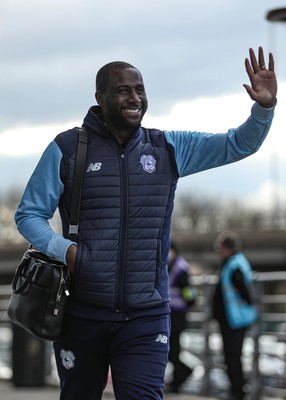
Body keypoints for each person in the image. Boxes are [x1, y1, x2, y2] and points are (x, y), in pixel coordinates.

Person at [14, 47, 276, 400]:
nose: (134, 97)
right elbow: (29, 214)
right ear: (100, 98)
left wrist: (263, 108)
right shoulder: (67, 149)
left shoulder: (168, 148)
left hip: (146, 315)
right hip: (81, 312)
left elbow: (238, 144)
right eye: (123, 90)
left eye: (140, 89)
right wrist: (69, 252)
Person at [212, 232, 257, 400]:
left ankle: (238, 391)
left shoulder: (234, 265)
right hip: (231, 318)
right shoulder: (232, 262)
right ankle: (236, 389)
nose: (218, 251)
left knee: (233, 357)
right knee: (231, 356)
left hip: (236, 319)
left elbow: (245, 292)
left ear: (227, 248)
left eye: (220, 247)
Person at [167, 241, 196, 393]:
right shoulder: (170, 266)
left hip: (177, 316)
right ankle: (181, 375)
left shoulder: (180, 268)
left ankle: (178, 380)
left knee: (173, 350)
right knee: (170, 350)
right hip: (169, 314)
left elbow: (189, 291)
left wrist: (189, 302)